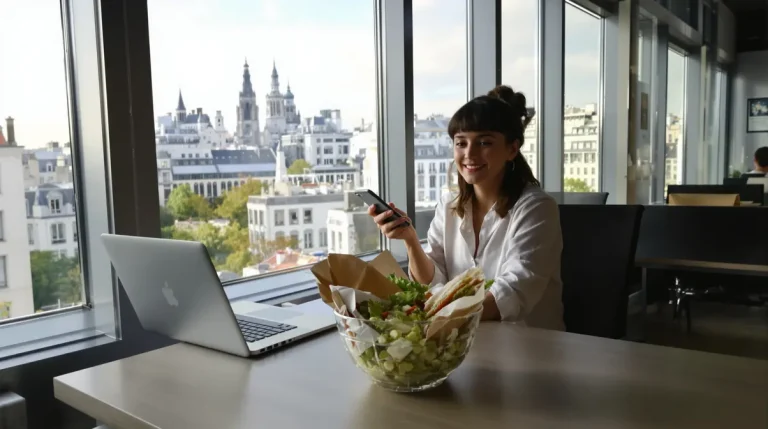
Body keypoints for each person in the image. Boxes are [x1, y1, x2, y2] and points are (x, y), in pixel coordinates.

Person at [369, 85, 564, 330]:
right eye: (461, 143)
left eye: (484, 143)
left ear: (512, 149)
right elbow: (433, 281)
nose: (469, 154)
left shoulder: (537, 208)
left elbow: (512, 294)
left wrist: (428, 318)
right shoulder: (449, 204)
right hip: (460, 341)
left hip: (525, 343)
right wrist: (409, 239)